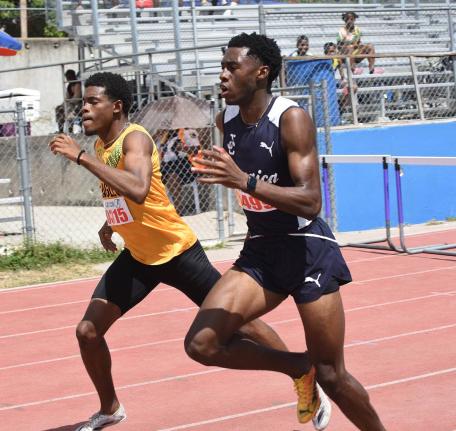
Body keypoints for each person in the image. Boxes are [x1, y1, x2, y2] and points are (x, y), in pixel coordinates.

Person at [48, 71, 325, 431]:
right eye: (82, 102)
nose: (83, 108)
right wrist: (111, 224)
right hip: (139, 256)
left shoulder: (136, 139)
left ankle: (303, 374)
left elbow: (137, 187)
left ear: (116, 107)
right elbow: (121, 195)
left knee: (243, 323)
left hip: (177, 252)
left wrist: (81, 157)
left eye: (91, 102)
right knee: (87, 331)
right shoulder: (104, 146)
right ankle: (110, 408)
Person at [184, 32, 387, 431]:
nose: (221, 74)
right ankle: (298, 366)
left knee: (333, 374)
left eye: (231, 66)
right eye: (221, 66)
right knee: (202, 344)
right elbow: (239, 179)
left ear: (260, 73)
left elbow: (311, 201)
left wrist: (245, 182)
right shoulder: (224, 121)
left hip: (307, 249)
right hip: (261, 250)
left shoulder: (290, 118)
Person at [55, 69, 82, 133]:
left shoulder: (78, 84)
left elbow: (77, 98)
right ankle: (60, 129)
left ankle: (70, 128)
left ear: (73, 76)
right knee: (59, 109)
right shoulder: (69, 86)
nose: (68, 78)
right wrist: (62, 105)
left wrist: (68, 102)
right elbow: (67, 97)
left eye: (69, 77)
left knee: (68, 108)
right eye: (67, 77)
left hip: (79, 104)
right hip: (71, 104)